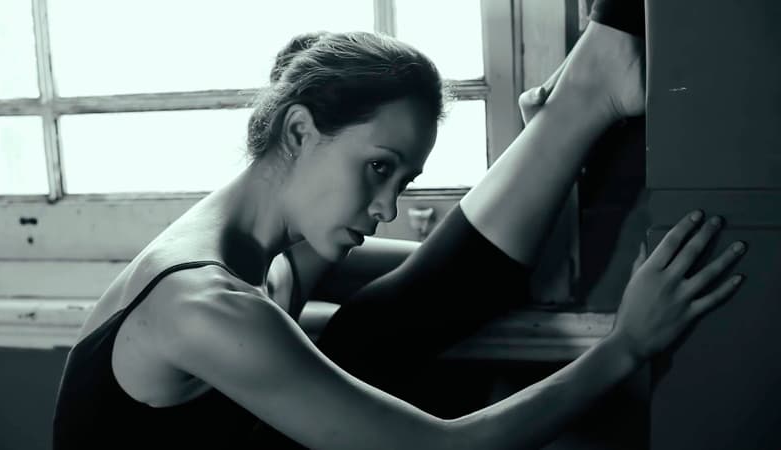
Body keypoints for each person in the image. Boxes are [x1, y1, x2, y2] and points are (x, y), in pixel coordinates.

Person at [53, 3, 747, 449]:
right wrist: (627, 345)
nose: (386, 207)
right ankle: (587, 93)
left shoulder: (250, 248)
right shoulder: (205, 307)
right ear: (299, 130)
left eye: (402, 181)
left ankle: (584, 94)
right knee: (392, 327)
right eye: (378, 168)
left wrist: (543, 154)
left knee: (393, 319)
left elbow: (447, 277)